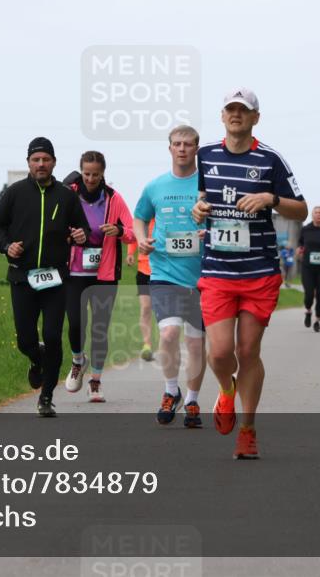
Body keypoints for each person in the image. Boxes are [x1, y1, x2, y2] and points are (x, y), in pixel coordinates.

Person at [192, 88, 307, 459]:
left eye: (243, 110)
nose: (236, 114)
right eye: (230, 109)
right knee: (220, 353)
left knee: (247, 350)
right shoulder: (205, 155)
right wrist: (198, 209)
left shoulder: (271, 160)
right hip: (218, 270)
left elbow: (301, 210)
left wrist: (270, 199)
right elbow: (201, 198)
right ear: (222, 115)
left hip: (259, 272)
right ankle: (227, 391)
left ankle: (248, 430)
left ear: (256, 118)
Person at [0, 137, 90, 417]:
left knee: (53, 336)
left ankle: (46, 397)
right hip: (22, 277)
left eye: (46, 159)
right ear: (28, 163)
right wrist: (7, 246)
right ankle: (37, 358)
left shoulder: (66, 196)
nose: (41, 164)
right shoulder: (15, 193)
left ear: (54, 162)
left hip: (56, 279)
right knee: (25, 340)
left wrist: (80, 235)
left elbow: (82, 228)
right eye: (36, 160)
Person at [134, 125, 207, 429]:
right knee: (168, 334)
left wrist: (210, 233)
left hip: (202, 277)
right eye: (177, 144)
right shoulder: (155, 186)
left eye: (188, 144)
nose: (182, 149)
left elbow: (225, 222)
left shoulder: (207, 185)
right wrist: (141, 239)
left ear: (196, 149)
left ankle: (192, 399)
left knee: (195, 343)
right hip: (164, 272)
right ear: (170, 148)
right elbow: (140, 217)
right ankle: (170, 391)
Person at [62, 152, 136, 402]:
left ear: (103, 173)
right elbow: (55, 226)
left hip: (104, 273)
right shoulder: (68, 194)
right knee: (75, 322)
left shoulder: (114, 198)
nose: (91, 179)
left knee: (100, 327)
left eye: (96, 174)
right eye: (86, 174)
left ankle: (95, 382)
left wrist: (119, 230)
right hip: (74, 271)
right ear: (80, 171)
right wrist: (70, 236)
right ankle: (77, 360)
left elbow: (132, 231)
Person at [296, 206, 320, 332]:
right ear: (312, 215)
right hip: (307, 267)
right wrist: (299, 249)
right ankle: (308, 311)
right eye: (316, 213)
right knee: (309, 294)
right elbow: (300, 243)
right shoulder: (305, 229)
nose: (318, 215)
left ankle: (317, 320)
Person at [126, 218, 156, 362]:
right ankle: (147, 345)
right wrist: (130, 253)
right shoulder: (142, 218)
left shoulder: (164, 215)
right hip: (144, 269)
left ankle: (167, 342)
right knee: (145, 308)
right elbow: (134, 236)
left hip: (163, 271)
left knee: (164, 310)